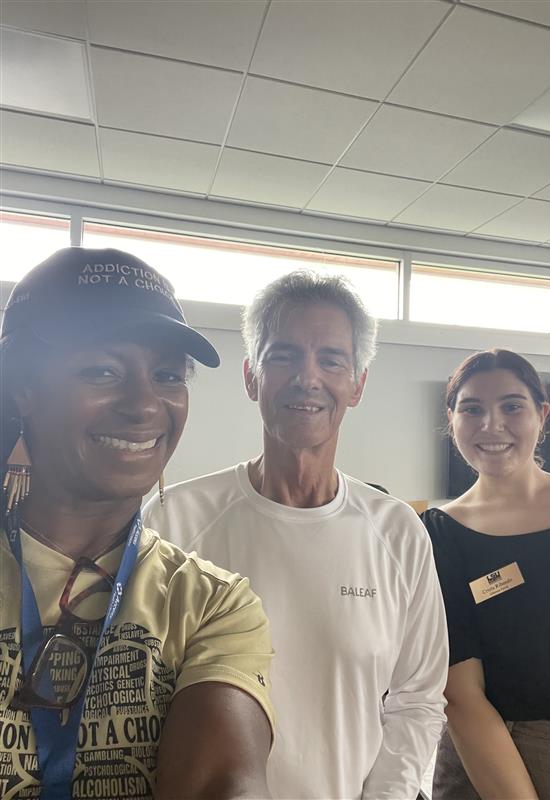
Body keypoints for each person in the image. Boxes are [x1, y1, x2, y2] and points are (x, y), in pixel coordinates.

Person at [144, 270, 448, 800]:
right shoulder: (176, 518)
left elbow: (417, 698)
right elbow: (141, 692)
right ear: (251, 377)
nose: (308, 378)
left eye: (331, 360)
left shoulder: (397, 531)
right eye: (283, 356)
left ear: (357, 384)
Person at [0, 247, 274, 800]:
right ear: (23, 386)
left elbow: (226, 785)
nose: (145, 404)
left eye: (168, 375)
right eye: (102, 371)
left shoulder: (210, 604)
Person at [421, 349, 550, 800]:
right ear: (451, 420)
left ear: (542, 414)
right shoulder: (437, 534)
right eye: (472, 408)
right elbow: (461, 694)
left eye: (512, 406)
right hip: (500, 755)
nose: (491, 424)